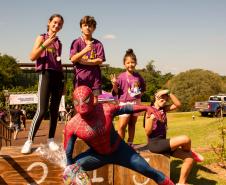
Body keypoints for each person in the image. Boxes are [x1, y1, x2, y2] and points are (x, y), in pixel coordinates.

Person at [63, 86, 174, 185]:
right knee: (72, 171)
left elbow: (126, 108)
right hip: (97, 156)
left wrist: (146, 108)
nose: (83, 108)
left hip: (120, 150)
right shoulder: (72, 125)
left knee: (149, 171)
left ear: (92, 100)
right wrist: (70, 173)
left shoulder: (105, 109)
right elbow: (68, 154)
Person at [21, 14, 64, 154]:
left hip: (57, 76)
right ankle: (29, 140)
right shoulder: (42, 37)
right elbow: (32, 56)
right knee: (42, 110)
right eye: (55, 22)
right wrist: (44, 45)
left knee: (54, 110)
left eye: (59, 24)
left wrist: (63, 81)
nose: (56, 25)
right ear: (49, 22)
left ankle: (51, 139)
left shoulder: (59, 42)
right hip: (45, 74)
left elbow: (58, 61)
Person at [144, 89, 204, 185]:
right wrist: (151, 119)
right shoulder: (149, 110)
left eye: (165, 97)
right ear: (156, 97)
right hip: (155, 144)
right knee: (185, 139)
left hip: (163, 142)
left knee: (189, 158)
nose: (164, 99)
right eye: (161, 97)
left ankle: (181, 183)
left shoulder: (163, 109)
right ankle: (190, 150)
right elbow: (147, 132)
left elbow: (178, 105)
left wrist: (170, 92)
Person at [111, 49, 146, 147]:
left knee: (132, 124)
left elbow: (143, 88)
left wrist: (138, 95)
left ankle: (130, 144)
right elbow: (116, 91)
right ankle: (120, 145)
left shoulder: (138, 76)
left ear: (136, 63)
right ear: (124, 64)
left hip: (136, 103)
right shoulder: (121, 76)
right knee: (122, 126)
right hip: (124, 104)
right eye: (128, 63)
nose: (130, 64)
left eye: (132, 62)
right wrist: (114, 84)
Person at [70, 15, 106, 105]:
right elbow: (73, 59)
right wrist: (85, 50)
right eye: (85, 25)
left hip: (95, 80)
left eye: (90, 25)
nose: (87, 27)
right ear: (81, 28)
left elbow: (100, 60)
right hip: (80, 78)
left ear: (94, 28)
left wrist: (83, 61)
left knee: (94, 103)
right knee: (79, 104)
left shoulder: (98, 44)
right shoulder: (76, 42)